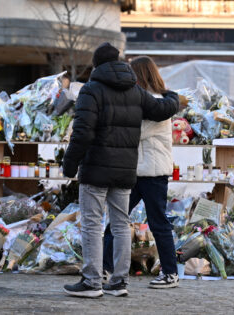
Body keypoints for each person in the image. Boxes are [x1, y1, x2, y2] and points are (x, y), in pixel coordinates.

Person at [62, 43, 179, 298]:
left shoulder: (91, 91)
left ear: (97, 65)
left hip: (96, 168)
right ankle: (119, 282)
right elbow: (161, 110)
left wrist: (70, 163)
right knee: (121, 225)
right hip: (127, 170)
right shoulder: (135, 92)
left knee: (93, 223)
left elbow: (82, 132)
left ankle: (92, 282)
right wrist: (174, 97)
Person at [103, 56, 179, 289]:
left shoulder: (157, 103)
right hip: (136, 172)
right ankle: (105, 269)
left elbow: (135, 132)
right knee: (118, 221)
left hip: (153, 173)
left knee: (157, 223)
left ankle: (170, 273)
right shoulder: (145, 100)